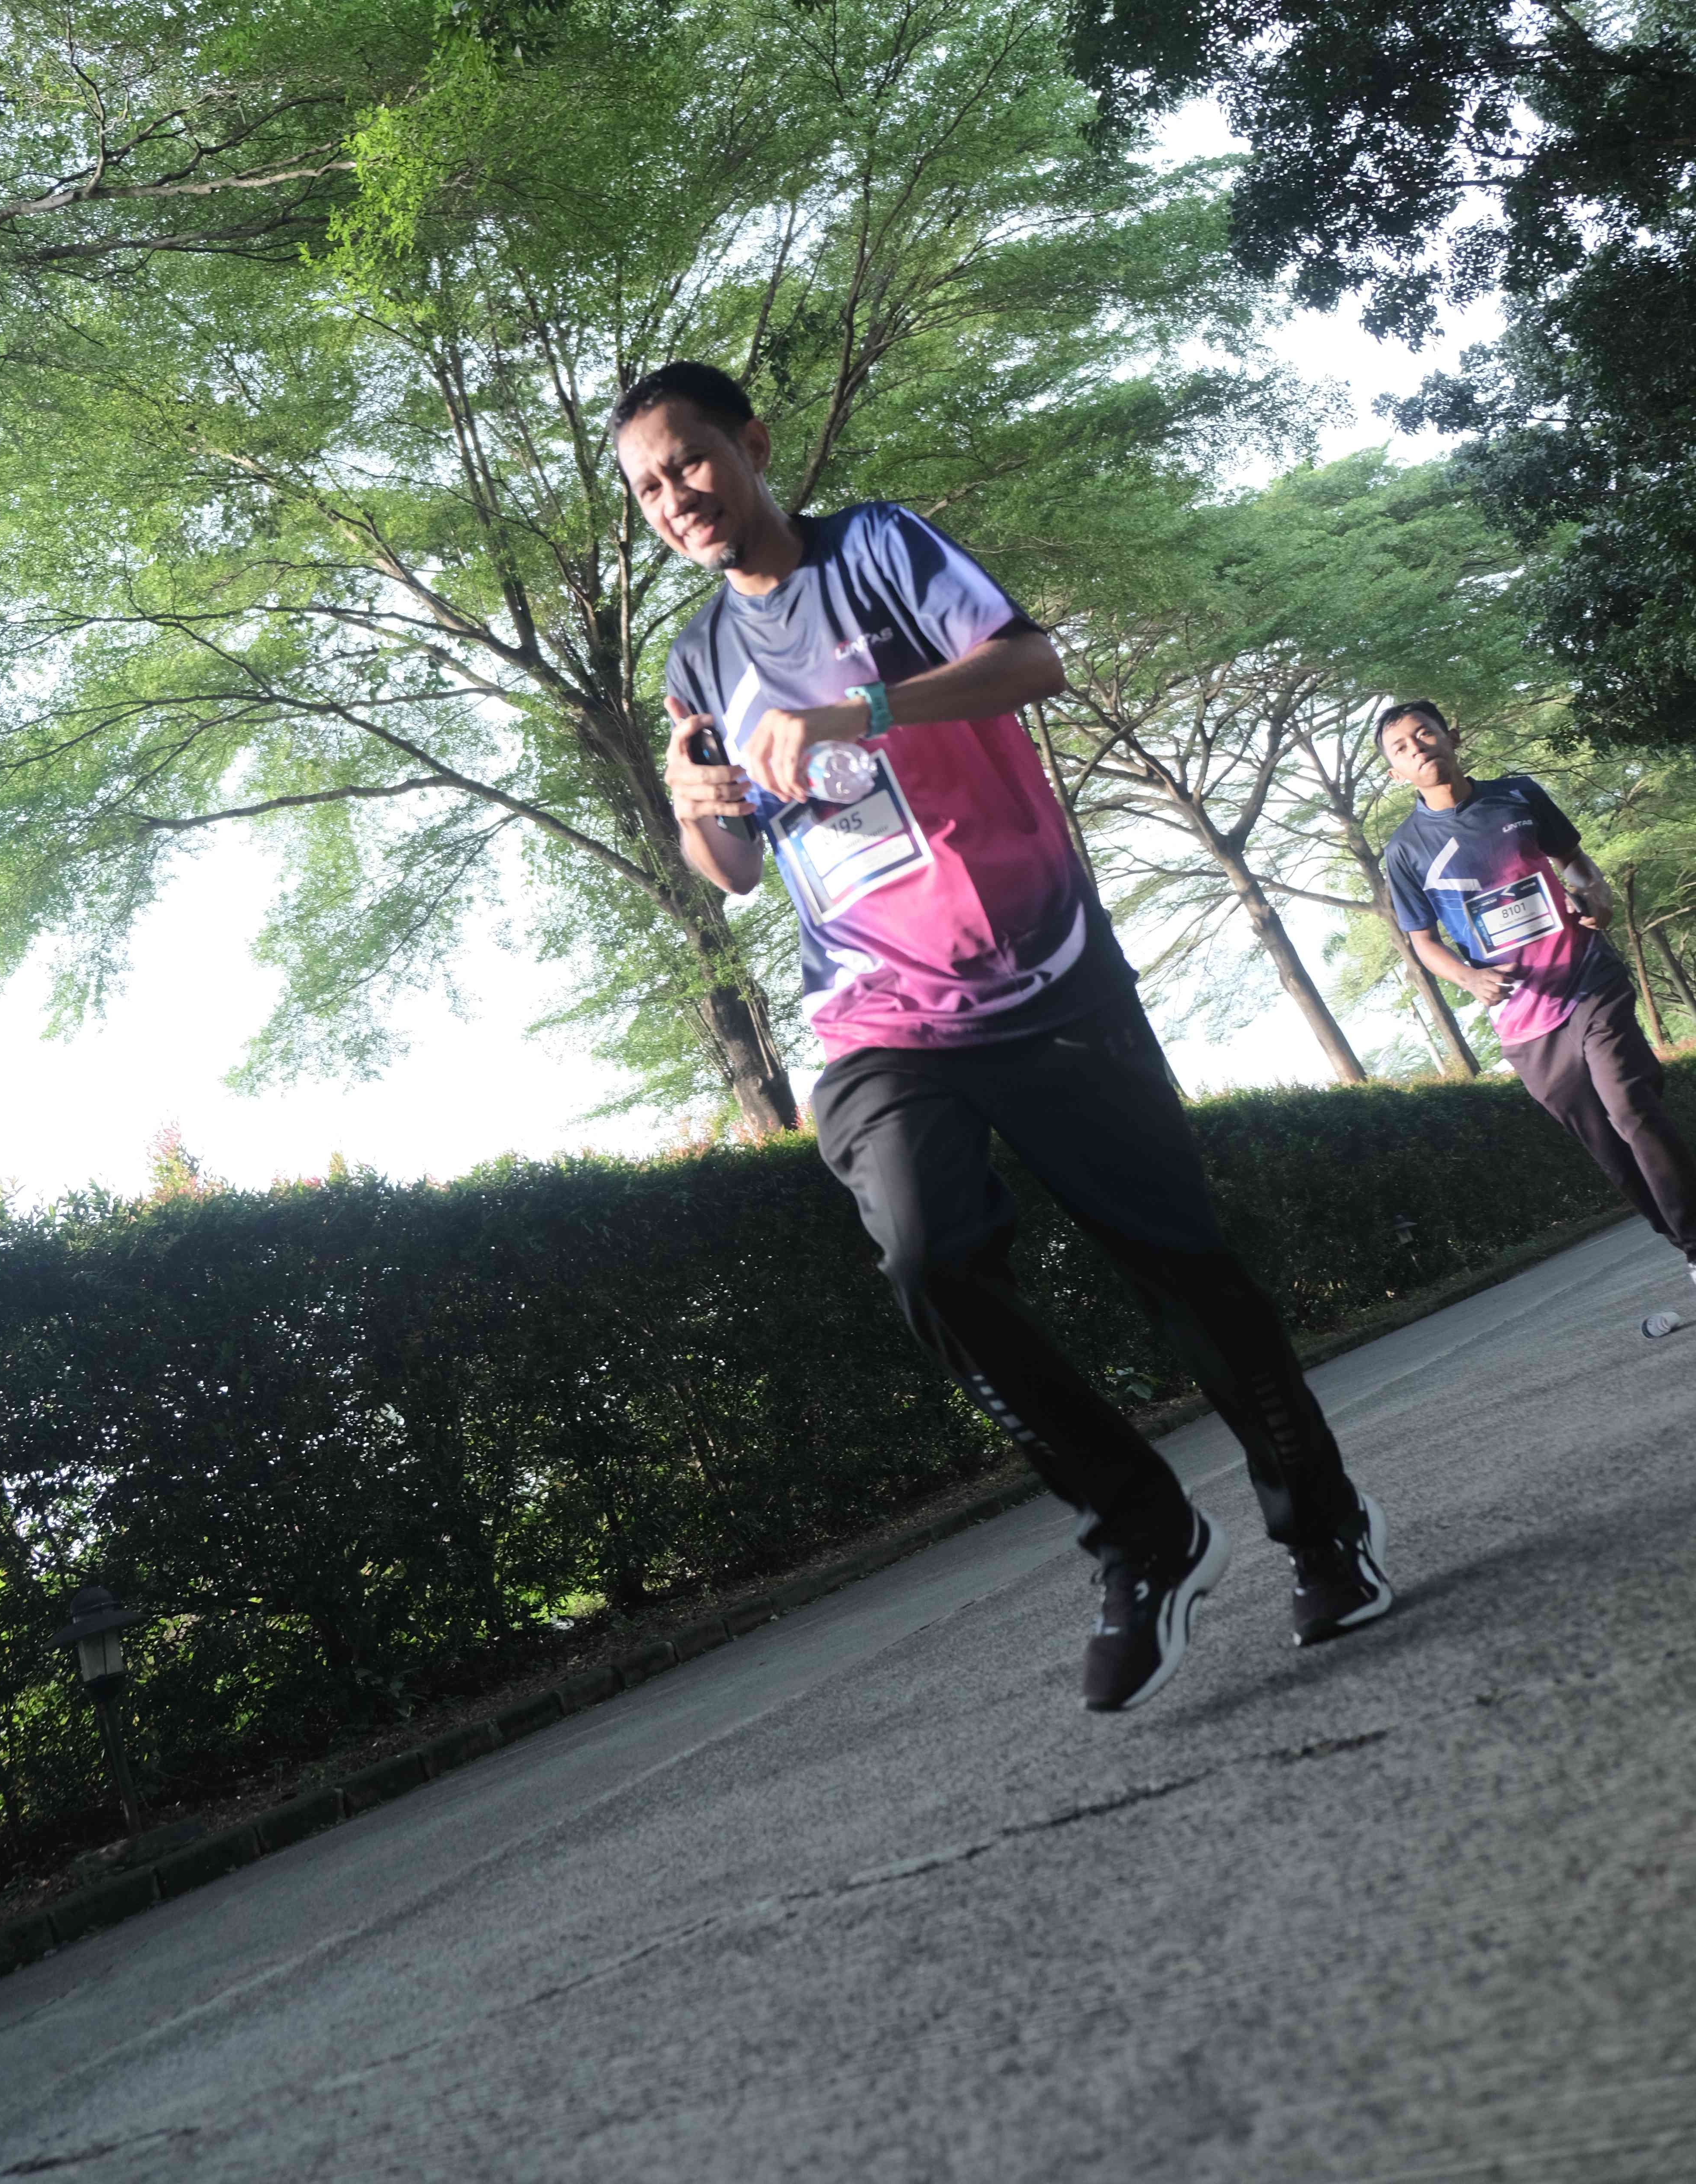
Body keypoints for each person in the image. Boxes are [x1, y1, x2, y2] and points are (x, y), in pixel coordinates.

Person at [614, 359, 1393, 1713]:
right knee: (928, 1260)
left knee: (1182, 1271)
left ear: (751, 444)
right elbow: (732, 872)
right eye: (646, 488)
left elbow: (1034, 662)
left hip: (1044, 976)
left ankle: (1322, 1532)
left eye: (688, 460)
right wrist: (695, 805)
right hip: (873, 1010)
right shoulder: (695, 660)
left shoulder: (878, 549)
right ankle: (1141, 1534)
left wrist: (861, 709)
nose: (674, 496)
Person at [1379, 701, 1696, 1325]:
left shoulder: (1518, 795)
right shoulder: (1405, 852)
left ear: (1452, 737)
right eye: (1402, 748)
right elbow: (1424, 944)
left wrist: (1596, 894)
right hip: (1523, 1019)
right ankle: (1680, 1237)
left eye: (1426, 734)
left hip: (1588, 977)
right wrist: (1469, 977)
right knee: (1609, 1149)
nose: (1418, 748)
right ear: (1396, 772)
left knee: (1630, 1107)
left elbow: (1576, 861)